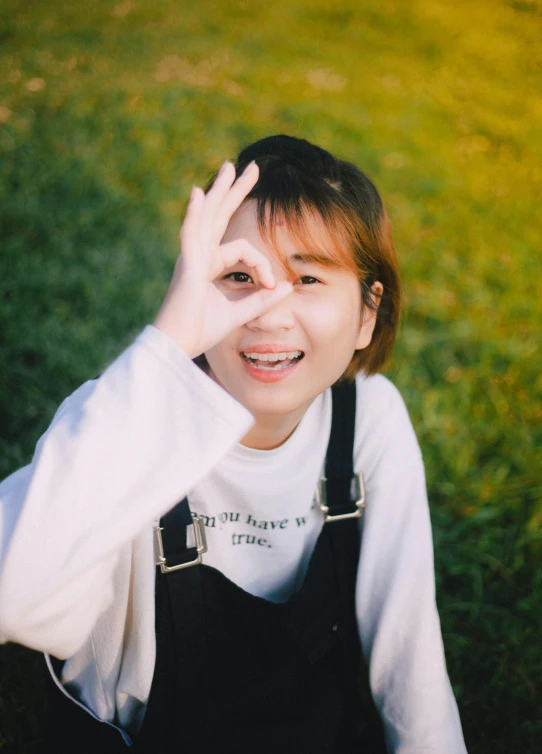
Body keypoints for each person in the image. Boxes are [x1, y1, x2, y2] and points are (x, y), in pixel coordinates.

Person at [0, 135, 467, 753]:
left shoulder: (370, 417)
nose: (269, 315)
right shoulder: (127, 419)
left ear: (366, 314)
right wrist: (167, 344)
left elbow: (409, 653)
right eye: (240, 276)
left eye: (306, 277)